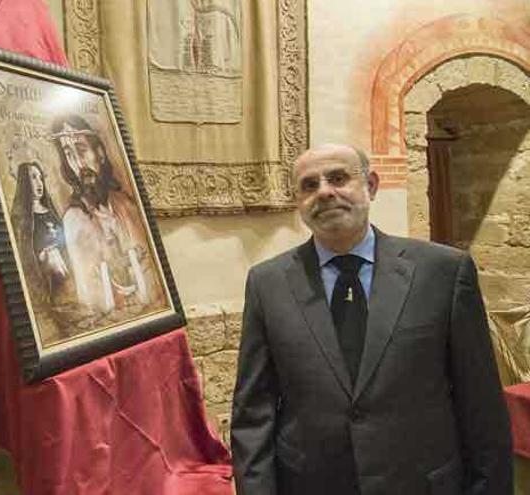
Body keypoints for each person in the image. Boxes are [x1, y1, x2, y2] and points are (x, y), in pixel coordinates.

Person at [230, 143, 512, 494]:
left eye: (338, 178)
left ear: (372, 185)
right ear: (297, 202)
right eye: (309, 185)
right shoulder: (267, 284)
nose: (325, 192)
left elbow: (481, 404)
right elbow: (254, 413)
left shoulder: (443, 272)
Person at [50, 114, 163, 314]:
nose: (78, 163)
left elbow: (151, 277)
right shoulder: (74, 221)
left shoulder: (127, 206)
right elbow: (90, 294)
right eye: (69, 154)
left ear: (100, 154)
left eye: (82, 150)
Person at [10, 161, 70, 304]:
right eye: (33, 177)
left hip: (65, 269)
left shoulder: (50, 211)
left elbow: (65, 241)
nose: (39, 183)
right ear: (24, 182)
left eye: (40, 177)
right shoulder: (21, 217)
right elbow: (23, 253)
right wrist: (43, 255)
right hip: (45, 277)